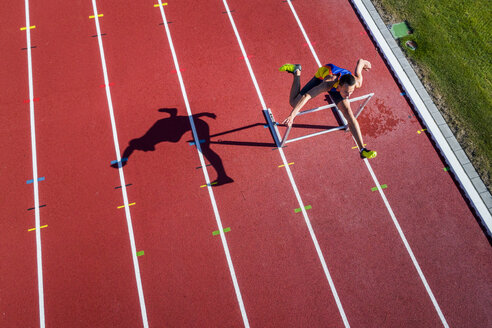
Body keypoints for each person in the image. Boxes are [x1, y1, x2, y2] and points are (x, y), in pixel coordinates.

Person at [280, 59, 377, 159]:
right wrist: (292, 115)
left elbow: (359, 64)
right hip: (322, 76)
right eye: (347, 92)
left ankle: (362, 150)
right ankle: (297, 71)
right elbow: (307, 96)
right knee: (294, 102)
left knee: (349, 115)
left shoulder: (356, 83)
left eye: (351, 92)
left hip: (340, 87)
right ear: (339, 87)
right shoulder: (327, 83)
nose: (348, 95)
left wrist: (365, 63)